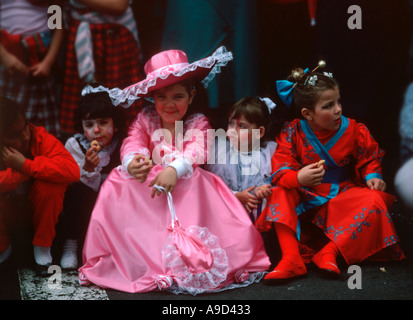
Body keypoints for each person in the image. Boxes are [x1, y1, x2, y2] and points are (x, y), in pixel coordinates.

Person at [78, 47, 270, 294]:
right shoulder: (145, 118)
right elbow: (133, 141)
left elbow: (197, 149)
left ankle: (207, 263)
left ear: (191, 96)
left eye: (178, 97)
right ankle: (149, 264)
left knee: (196, 181)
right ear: (152, 98)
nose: (169, 105)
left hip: (186, 186)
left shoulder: (197, 122)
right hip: (151, 190)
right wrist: (133, 161)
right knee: (119, 180)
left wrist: (174, 169)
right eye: (161, 97)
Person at [256, 65, 406, 282]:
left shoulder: (354, 129)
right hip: (307, 196)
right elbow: (281, 166)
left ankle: (329, 252)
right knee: (279, 191)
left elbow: (369, 158)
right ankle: (291, 259)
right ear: (307, 114)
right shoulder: (292, 132)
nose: (338, 109)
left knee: (374, 199)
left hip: (342, 196)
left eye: (338, 102)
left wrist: (373, 175)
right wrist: (298, 178)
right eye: (328, 105)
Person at [0, 96, 79, 272]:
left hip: (36, 217)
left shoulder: (39, 136)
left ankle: (42, 249)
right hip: (8, 216)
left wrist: (26, 165)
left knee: (52, 184)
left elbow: (72, 170)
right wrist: (18, 175)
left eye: (25, 127)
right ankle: (3, 249)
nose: (25, 136)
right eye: (14, 135)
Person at [59, 84, 126, 269]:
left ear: (115, 123)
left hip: (113, 203)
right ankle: (70, 245)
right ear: (81, 127)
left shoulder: (122, 144)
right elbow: (69, 178)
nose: (97, 130)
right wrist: (87, 167)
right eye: (89, 125)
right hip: (84, 203)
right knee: (75, 193)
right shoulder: (75, 145)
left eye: (103, 123)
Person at [59, 0, 144, 136]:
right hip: (82, 38)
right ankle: (83, 148)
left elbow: (119, 6)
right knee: (84, 97)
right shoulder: (59, 14)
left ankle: (126, 145)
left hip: (115, 35)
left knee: (119, 98)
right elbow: (54, 8)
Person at [204, 96, 277, 223]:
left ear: (259, 132)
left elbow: (274, 180)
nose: (232, 130)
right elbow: (211, 186)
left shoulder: (269, 153)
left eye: (241, 126)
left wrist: (263, 190)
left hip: (256, 213)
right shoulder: (219, 152)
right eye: (231, 123)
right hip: (227, 211)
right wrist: (236, 196)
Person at [0, 0, 64, 136]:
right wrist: (4, 56)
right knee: (7, 123)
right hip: (8, 67)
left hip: (40, 68)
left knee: (41, 130)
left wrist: (48, 62)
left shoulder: (50, 4)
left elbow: (58, 26)